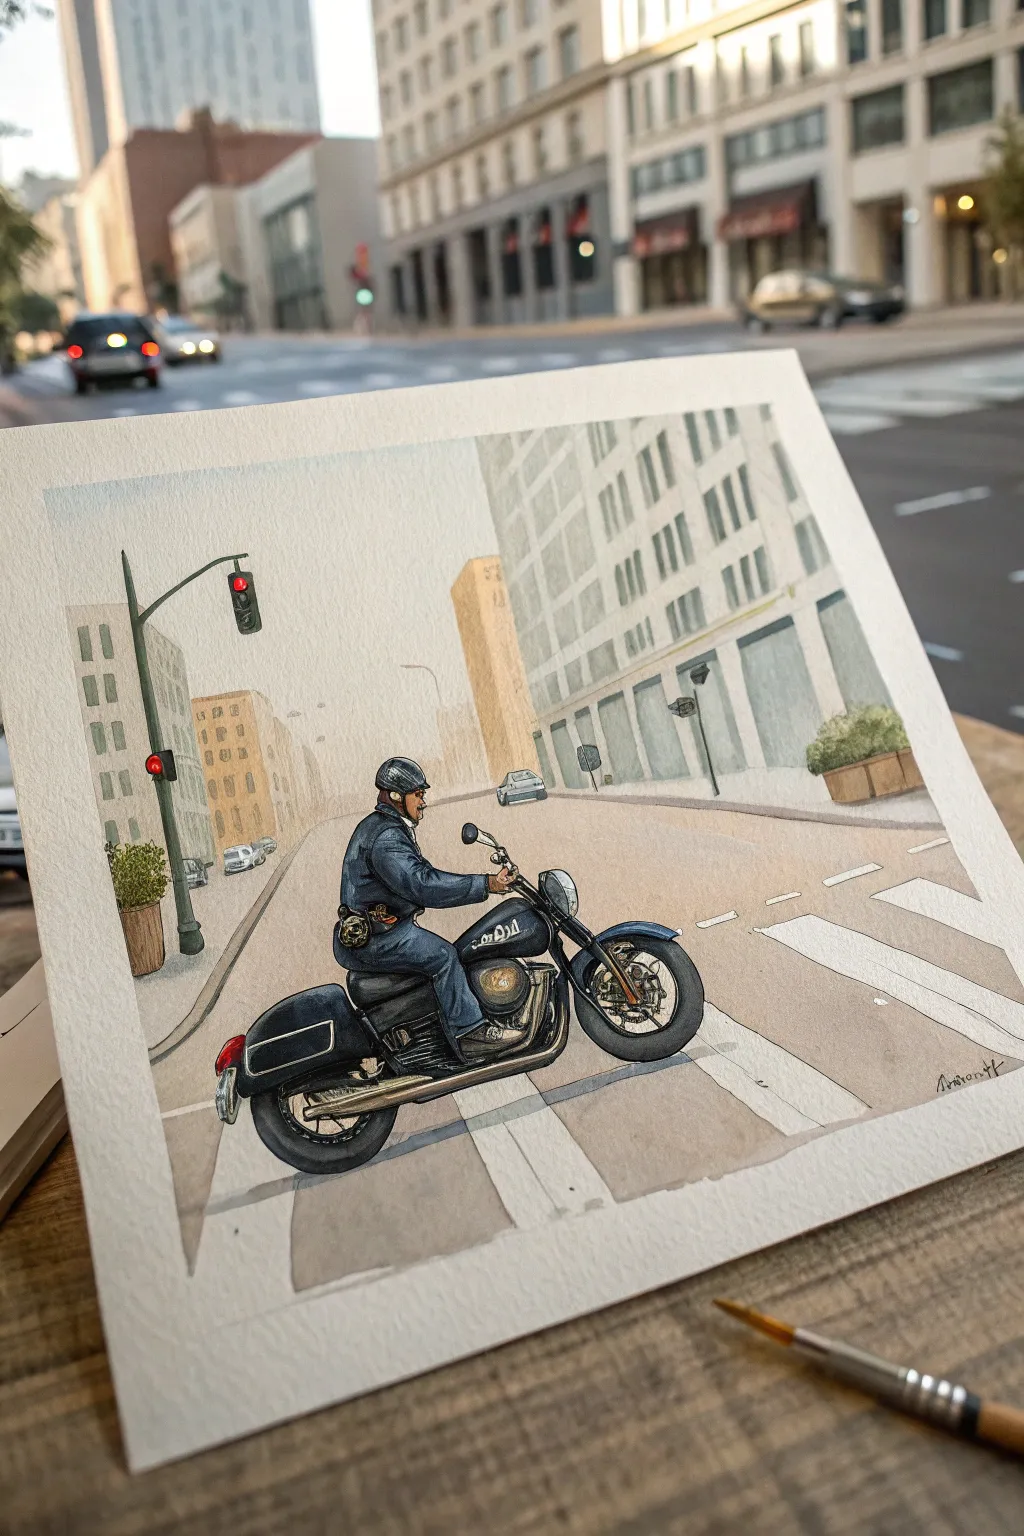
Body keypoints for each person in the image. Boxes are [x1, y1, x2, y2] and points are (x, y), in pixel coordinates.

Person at [334, 757, 523, 1062]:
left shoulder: (386, 827)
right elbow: (421, 883)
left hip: (388, 929)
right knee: (444, 956)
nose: (423, 802)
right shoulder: (385, 837)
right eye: (418, 794)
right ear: (396, 796)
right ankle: (470, 1034)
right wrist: (487, 884)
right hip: (379, 938)